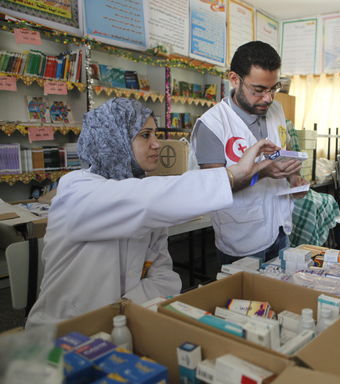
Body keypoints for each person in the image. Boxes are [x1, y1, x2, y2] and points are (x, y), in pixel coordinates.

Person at [26, 98, 278, 327]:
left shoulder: (143, 196)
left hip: (122, 325)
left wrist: (123, 307)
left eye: (155, 134)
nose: (157, 144)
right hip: (62, 333)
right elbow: (142, 201)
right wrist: (232, 174)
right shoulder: (77, 192)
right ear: (114, 140)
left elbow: (164, 278)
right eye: (145, 135)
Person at [191, 41, 307, 264]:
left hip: (280, 226)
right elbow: (214, 189)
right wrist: (262, 172)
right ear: (234, 79)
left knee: (280, 292)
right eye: (259, 90)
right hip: (242, 237)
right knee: (246, 297)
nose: (268, 98)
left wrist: (293, 178)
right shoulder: (212, 125)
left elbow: (284, 150)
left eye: (273, 88)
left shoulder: (276, 110)